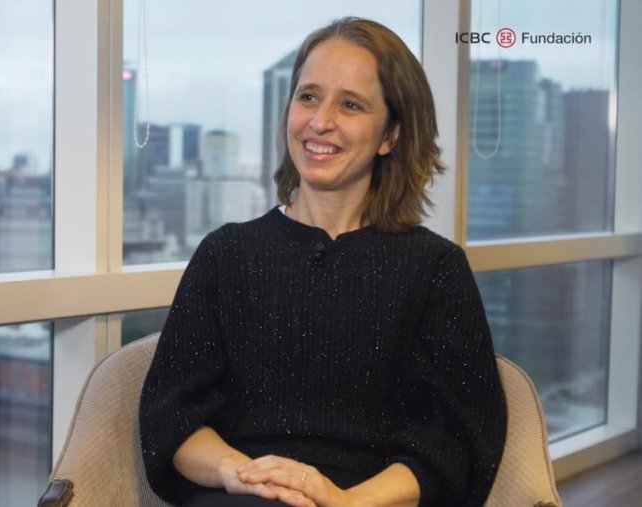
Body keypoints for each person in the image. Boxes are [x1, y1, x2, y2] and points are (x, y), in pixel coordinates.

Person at [139, 17, 506, 507]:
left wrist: (344, 500)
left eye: (350, 105)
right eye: (308, 97)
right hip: (238, 494)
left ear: (390, 136)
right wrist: (238, 472)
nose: (319, 121)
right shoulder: (226, 255)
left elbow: (457, 440)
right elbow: (171, 416)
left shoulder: (435, 268)